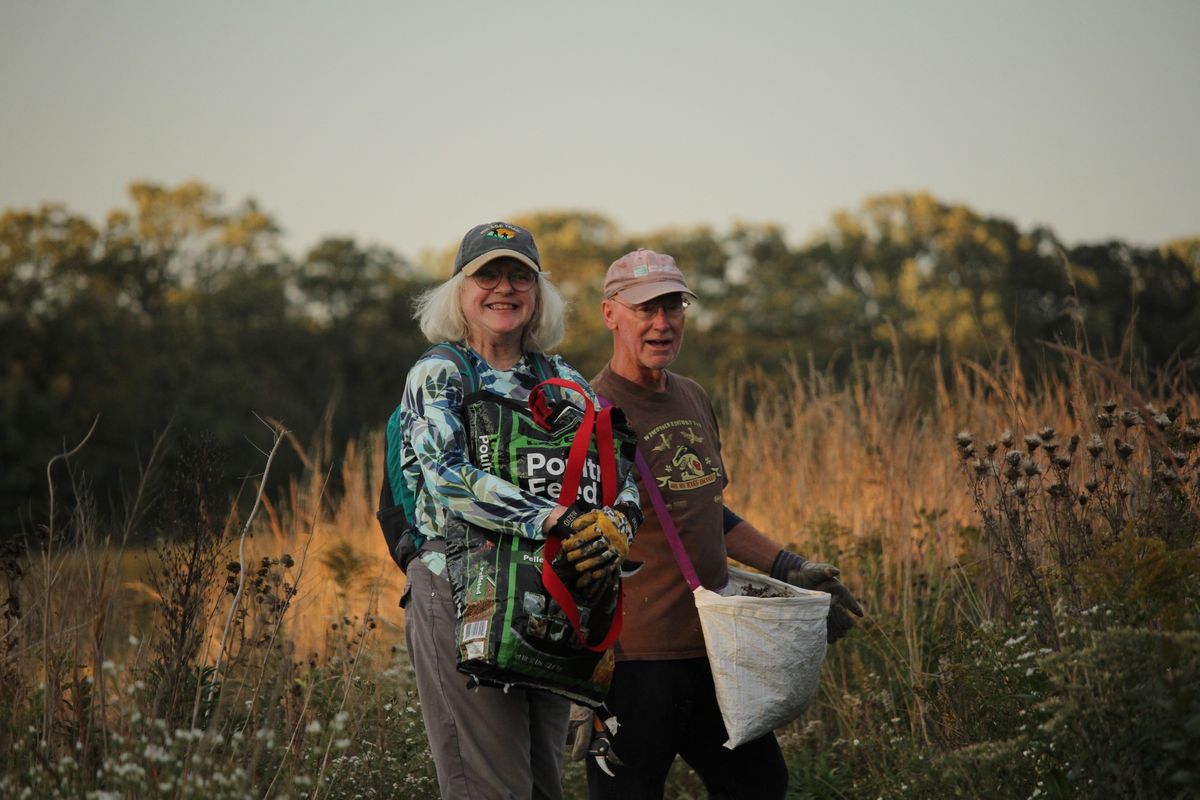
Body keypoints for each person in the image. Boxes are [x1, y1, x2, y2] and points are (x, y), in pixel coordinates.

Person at [586, 248, 865, 800]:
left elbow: (711, 512)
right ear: (610, 314)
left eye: (673, 306)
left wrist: (793, 568)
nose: (662, 323)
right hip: (635, 661)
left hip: (716, 650)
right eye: (645, 308)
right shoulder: (590, 414)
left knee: (758, 784)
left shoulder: (693, 397)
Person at [389, 222, 642, 800]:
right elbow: (449, 476)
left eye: (519, 276)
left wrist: (616, 526)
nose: (504, 288)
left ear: (538, 292)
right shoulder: (440, 373)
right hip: (460, 591)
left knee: (542, 785)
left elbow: (619, 472)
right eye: (488, 275)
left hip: (547, 597)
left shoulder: (564, 379)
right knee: (488, 786)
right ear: (460, 290)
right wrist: (552, 519)